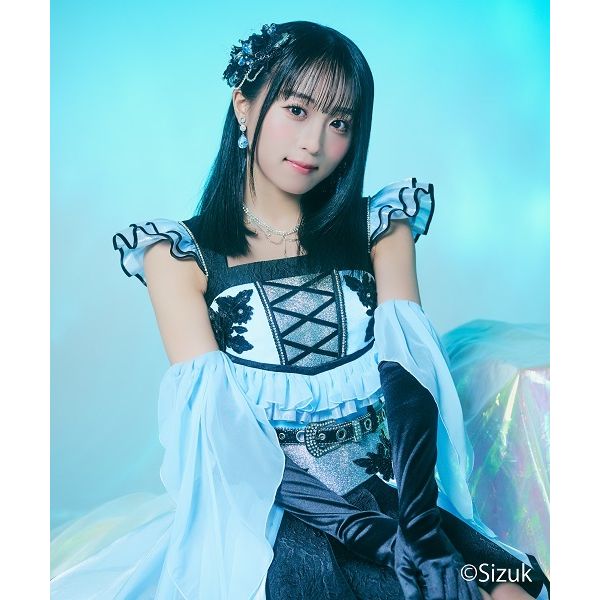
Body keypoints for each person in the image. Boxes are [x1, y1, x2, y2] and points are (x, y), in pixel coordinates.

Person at [51, 21, 550, 600]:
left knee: (508, 587)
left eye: (340, 123)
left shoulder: (380, 227)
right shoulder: (178, 256)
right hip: (279, 513)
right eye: (296, 110)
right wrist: (371, 538)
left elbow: (410, 387)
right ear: (243, 105)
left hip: (399, 498)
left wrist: (419, 530)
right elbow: (225, 437)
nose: (315, 142)